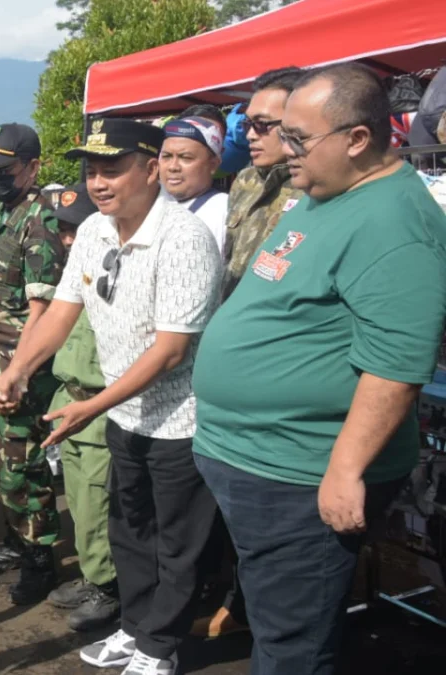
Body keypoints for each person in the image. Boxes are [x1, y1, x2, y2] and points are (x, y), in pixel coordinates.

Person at [193, 63, 446, 675]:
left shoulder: (394, 222)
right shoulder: (324, 193)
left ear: (358, 139)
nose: (284, 150)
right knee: (282, 624)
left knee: (293, 648)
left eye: (299, 138)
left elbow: (394, 366)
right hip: (256, 461)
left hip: (300, 473)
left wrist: (345, 470)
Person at [0, 119, 222, 675]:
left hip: (180, 419)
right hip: (125, 415)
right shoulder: (94, 230)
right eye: (91, 170)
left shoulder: (184, 237)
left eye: (111, 168)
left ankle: (161, 646)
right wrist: (18, 368)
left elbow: (171, 351)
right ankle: (137, 627)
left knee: (177, 541)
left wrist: (92, 406)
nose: (98, 181)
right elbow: (61, 311)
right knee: (129, 530)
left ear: (149, 169)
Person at [0, 123, 67, 605]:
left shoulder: (39, 221)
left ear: (32, 167)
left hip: (17, 367)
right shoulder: (8, 213)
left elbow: (42, 311)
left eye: (4, 170)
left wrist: (20, 371)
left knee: (23, 466)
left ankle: (40, 558)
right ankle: (17, 539)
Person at [40, 183, 120, 632]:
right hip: (69, 397)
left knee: (97, 501)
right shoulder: (75, 272)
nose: (68, 238)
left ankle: (108, 587)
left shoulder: (115, 269)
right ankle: (92, 574)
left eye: (76, 229)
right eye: (64, 230)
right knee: (78, 499)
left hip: (98, 404)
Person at [222, 66, 305, 298]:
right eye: (247, 125)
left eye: (262, 125)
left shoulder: (316, 188)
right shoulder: (246, 179)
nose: (250, 135)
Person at [159, 117, 229, 254]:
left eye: (185, 158)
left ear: (213, 164)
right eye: (166, 156)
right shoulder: (145, 204)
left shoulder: (225, 210)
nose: (173, 167)